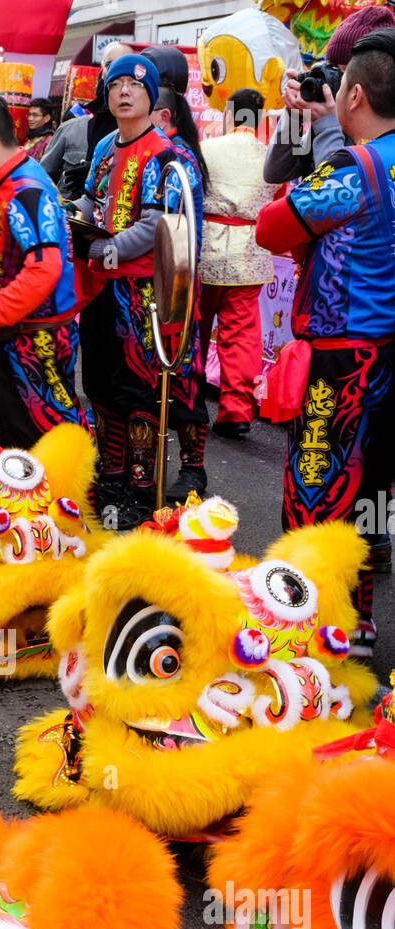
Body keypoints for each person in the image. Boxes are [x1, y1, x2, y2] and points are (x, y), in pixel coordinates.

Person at [255, 29, 395, 660]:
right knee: (374, 492)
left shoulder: (356, 168)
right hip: (389, 350)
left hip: (344, 356)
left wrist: (317, 133)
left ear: (356, 94)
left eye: (338, 88)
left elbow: (271, 226)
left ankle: (321, 624)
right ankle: (358, 624)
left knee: (319, 490)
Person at [75, 53, 185, 525]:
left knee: (140, 388)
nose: (123, 92)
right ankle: (112, 473)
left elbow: (155, 222)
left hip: (140, 291)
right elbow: (91, 200)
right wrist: (70, 219)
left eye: (135, 87)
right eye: (115, 84)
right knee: (99, 382)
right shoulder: (103, 148)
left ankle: (144, 485)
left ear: (151, 97)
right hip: (99, 286)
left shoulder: (163, 154)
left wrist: (105, 250)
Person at [0, 93, 86, 447]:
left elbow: (43, 270)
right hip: (9, 330)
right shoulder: (6, 182)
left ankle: (70, 500)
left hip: (36, 337)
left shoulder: (26, 190)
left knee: (43, 434)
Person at [197, 87, 278, 445]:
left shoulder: (206, 149)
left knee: (193, 328)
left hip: (207, 248)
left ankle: (185, 399)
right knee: (242, 335)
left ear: (228, 114)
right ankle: (236, 411)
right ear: (260, 119)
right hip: (250, 250)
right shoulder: (271, 158)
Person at [150, 82, 210, 498]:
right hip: (143, 283)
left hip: (174, 281)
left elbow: (170, 228)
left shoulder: (175, 158)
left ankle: (194, 468)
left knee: (184, 375)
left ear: (163, 116)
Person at [264, 4, 395, 184]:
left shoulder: (380, 139)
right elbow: (275, 173)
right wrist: (294, 115)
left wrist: (328, 126)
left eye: (340, 72)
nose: (328, 80)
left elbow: (334, 193)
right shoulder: (333, 123)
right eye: (328, 69)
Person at [41, 42, 131, 201]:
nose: (118, 72)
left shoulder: (147, 134)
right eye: (111, 65)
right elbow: (41, 181)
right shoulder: (73, 128)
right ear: (102, 72)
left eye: (126, 65)